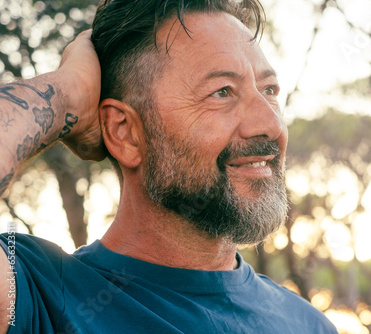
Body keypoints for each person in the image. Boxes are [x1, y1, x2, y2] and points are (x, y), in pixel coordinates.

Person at [0, 0, 338, 333]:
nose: (272, 124)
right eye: (222, 91)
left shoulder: (310, 325)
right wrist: (66, 93)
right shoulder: (39, 294)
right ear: (125, 133)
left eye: (269, 89)